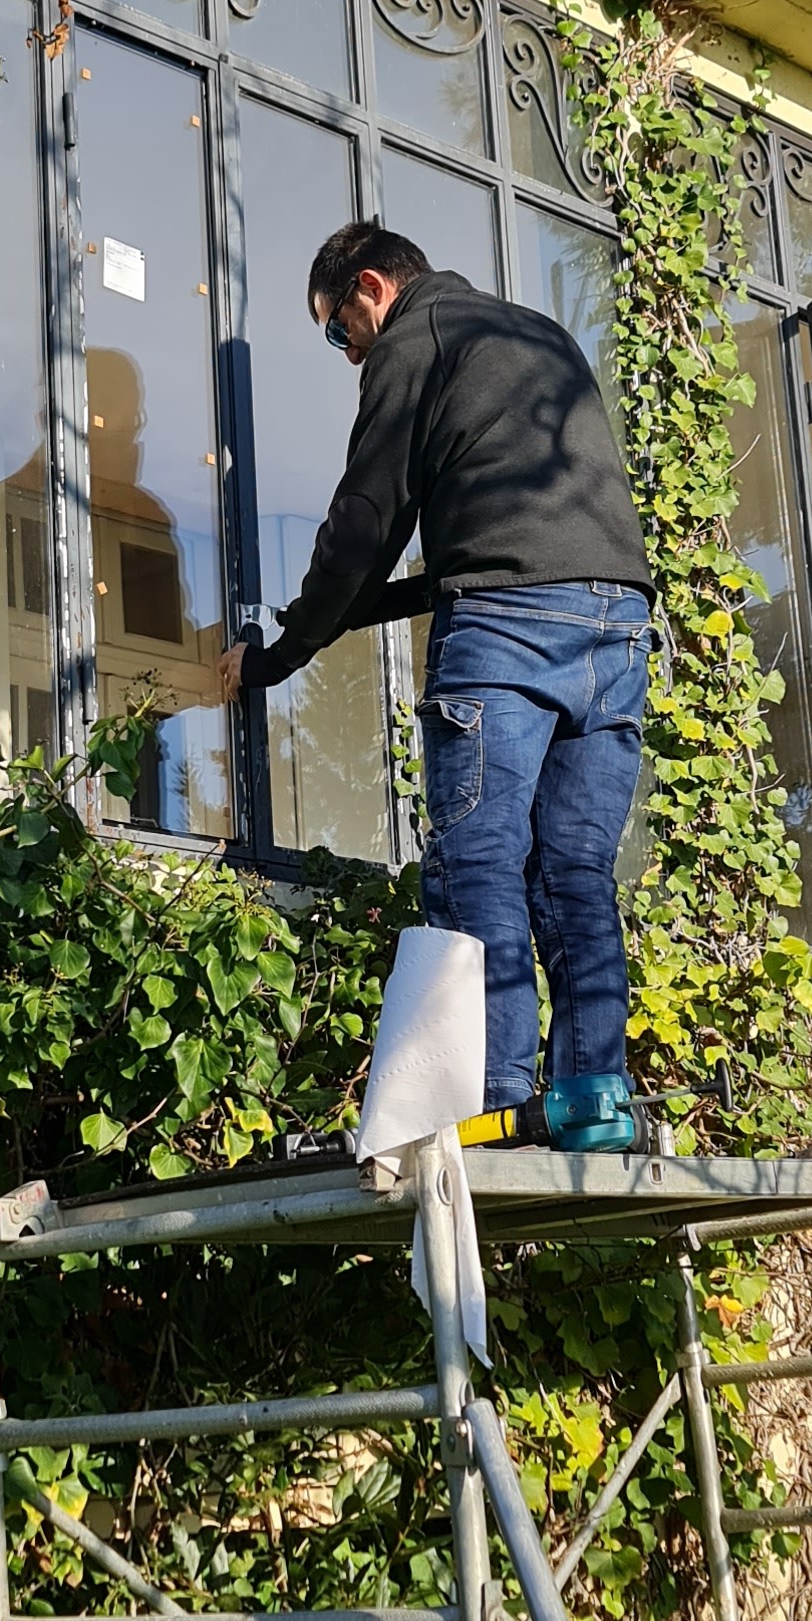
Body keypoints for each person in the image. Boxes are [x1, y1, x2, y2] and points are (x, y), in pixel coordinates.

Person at [216, 221, 651, 1147]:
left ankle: (495, 1102)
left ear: (372, 290)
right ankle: (592, 1101)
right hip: (616, 629)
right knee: (575, 875)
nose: (348, 355)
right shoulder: (535, 336)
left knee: (476, 861)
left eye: (339, 333)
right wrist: (324, 627)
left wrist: (275, 657)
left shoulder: (418, 338)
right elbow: (484, 551)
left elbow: (367, 523)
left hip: (508, 633)